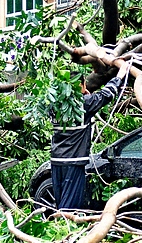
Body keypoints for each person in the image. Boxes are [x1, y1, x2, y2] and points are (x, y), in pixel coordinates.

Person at [50, 73, 122, 210]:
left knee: (60, 203)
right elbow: (106, 94)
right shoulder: (83, 104)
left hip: (56, 160)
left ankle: (58, 227)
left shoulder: (54, 104)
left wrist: (83, 94)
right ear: (81, 85)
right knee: (69, 208)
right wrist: (120, 75)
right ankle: (65, 228)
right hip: (74, 162)